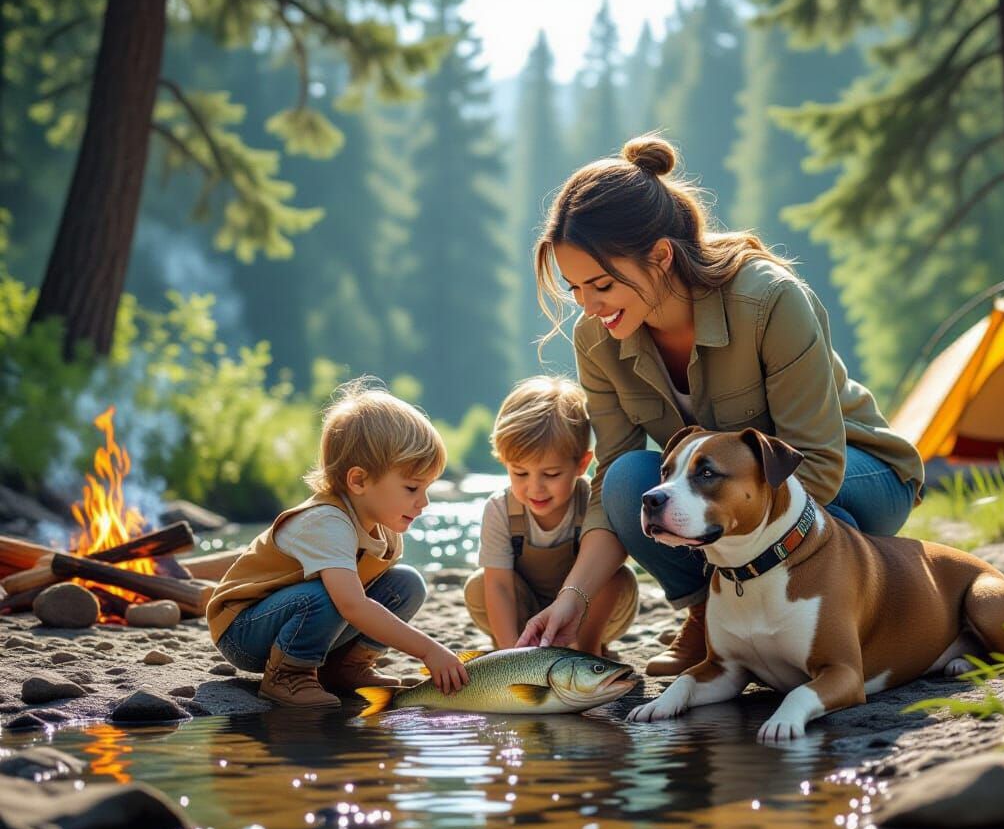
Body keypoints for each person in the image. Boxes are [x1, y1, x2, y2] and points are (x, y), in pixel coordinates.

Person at [516, 134, 925, 677]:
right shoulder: (597, 339)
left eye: (602, 284)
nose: (589, 307)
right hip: (728, 496)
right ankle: (710, 617)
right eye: (575, 290)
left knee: (830, 525)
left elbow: (818, 465)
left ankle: (831, 638)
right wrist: (574, 598)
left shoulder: (771, 300)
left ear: (660, 256)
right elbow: (612, 479)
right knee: (626, 483)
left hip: (856, 471)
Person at [206, 378, 470, 708]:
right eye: (412, 488)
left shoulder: (383, 529)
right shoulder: (327, 522)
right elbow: (351, 606)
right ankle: (287, 675)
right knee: (331, 595)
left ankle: (345, 668)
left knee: (406, 584)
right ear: (359, 481)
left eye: (427, 488)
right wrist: (430, 650)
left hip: (301, 618)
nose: (424, 502)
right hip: (245, 632)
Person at [463, 375, 638, 654]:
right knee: (480, 584)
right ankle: (511, 647)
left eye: (551, 474)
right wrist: (509, 654)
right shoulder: (499, 509)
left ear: (582, 464)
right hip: (525, 609)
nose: (535, 487)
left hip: (586, 610)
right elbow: (499, 587)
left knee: (619, 577)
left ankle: (587, 650)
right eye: (519, 472)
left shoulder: (593, 501)